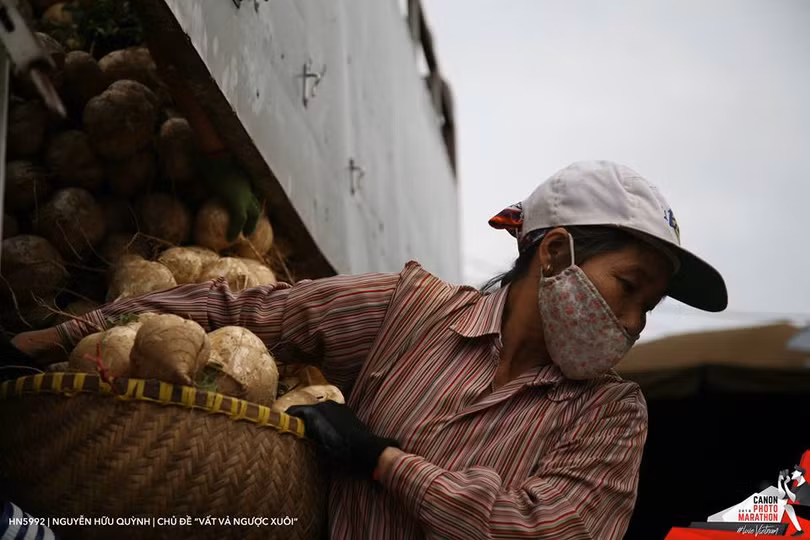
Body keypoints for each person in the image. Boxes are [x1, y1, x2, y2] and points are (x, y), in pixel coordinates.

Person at [13, 160, 728, 539]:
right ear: (553, 252)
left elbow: (548, 532)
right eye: (628, 287)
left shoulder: (611, 415)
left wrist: (381, 460)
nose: (634, 321)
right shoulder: (411, 311)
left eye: (648, 306)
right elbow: (255, 311)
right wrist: (59, 335)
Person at [780, 466, 810, 536]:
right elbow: (783, 496)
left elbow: (794, 499)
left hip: (808, 510)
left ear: (800, 473)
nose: (792, 472)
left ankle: (800, 530)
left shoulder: (805, 486)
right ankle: (799, 531)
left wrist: (785, 484)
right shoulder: (797, 488)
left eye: (795, 471)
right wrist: (780, 481)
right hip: (806, 510)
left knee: (788, 506)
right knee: (787, 506)